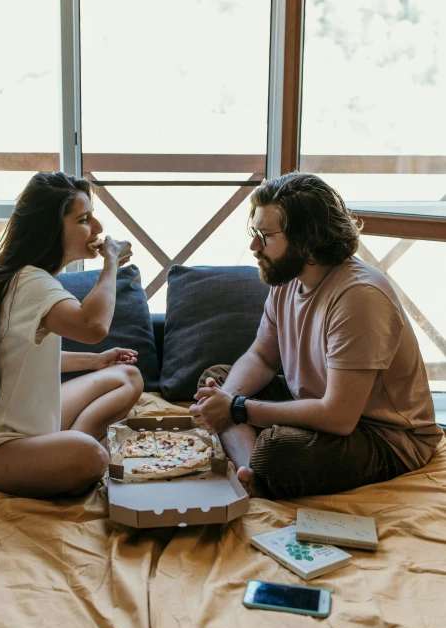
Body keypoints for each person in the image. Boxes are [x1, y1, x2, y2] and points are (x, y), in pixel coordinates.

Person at [190, 172, 443, 499]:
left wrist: (237, 410)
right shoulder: (288, 279)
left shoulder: (359, 297)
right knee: (216, 381)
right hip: (315, 403)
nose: (254, 246)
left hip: (384, 435)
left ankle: (259, 463)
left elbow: (339, 416)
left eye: (264, 236)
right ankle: (252, 473)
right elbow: (262, 357)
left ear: (306, 241)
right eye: (254, 232)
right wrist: (225, 401)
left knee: (277, 452)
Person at [0, 172, 144, 499]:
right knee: (91, 456)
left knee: (126, 376)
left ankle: (58, 454)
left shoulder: (21, 277)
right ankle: (70, 453)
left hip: (26, 432)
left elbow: (22, 358)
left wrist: (97, 361)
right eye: (84, 219)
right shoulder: (30, 283)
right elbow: (93, 326)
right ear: (50, 229)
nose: (98, 229)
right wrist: (112, 263)